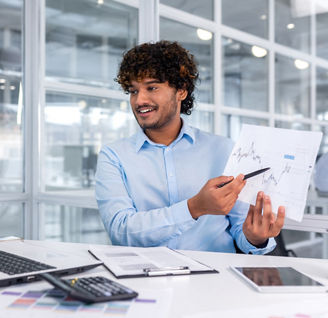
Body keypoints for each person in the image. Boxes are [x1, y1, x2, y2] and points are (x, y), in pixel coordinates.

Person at [95, 40, 285, 254]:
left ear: (181, 91)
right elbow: (120, 231)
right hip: (145, 281)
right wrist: (194, 207)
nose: (140, 100)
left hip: (217, 281)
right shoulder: (114, 156)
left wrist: (255, 238)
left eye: (152, 87)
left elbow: (241, 231)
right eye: (133, 91)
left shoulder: (223, 150)